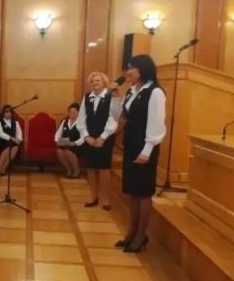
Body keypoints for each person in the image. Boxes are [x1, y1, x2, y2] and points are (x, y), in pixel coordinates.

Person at [112, 55, 166, 253]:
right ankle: (132, 231)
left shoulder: (155, 92)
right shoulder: (132, 91)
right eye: (128, 68)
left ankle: (142, 234)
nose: (128, 72)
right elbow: (119, 116)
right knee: (132, 191)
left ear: (143, 69)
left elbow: (157, 123)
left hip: (145, 148)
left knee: (143, 192)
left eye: (131, 68)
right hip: (131, 145)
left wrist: (147, 150)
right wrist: (116, 97)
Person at [76, 72, 118, 211]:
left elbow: (114, 118)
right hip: (89, 137)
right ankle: (93, 196)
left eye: (98, 80)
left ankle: (105, 198)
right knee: (90, 167)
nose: (95, 83)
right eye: (93, 81)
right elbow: (81, 118)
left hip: (105, 137)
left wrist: (103, 137)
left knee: (104, 168)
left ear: (104, 82)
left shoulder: (111, 96)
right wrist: (86, 136)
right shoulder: (87, 97)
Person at [54, 103, 82, 178]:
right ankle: (68, 169)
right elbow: (58, 133)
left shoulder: (81, 123)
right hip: (65, 143)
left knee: (68, 151)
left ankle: (76, 171)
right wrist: (57, 141)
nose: (72, 113)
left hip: (77, 144)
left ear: (78, 113)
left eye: (74, 112)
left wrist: (74, 143)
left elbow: (83, 137)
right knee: (59, 151)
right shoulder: (65, 121)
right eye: (70, 112)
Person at [0, 104, 23, 176]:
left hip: (13, 142)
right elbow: (0, 133)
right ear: (3, 113)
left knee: (15, 148)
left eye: (9, 112)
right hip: (3, 141)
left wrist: (19, 139)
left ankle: (3, 168)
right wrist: (11, 138)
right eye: (6, 112)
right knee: (8, 147)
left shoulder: (15, 123)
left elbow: (19, 133)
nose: (8, 113)